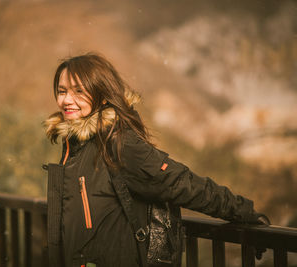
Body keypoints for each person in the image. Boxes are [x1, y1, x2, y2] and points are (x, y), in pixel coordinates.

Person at [44, 53, 268, 267]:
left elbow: (180, 183)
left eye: (79, 91)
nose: (66, 100)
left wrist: (242, 212)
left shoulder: (118, 143)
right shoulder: (76, 145)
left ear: (102, 96)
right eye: (62, 91)